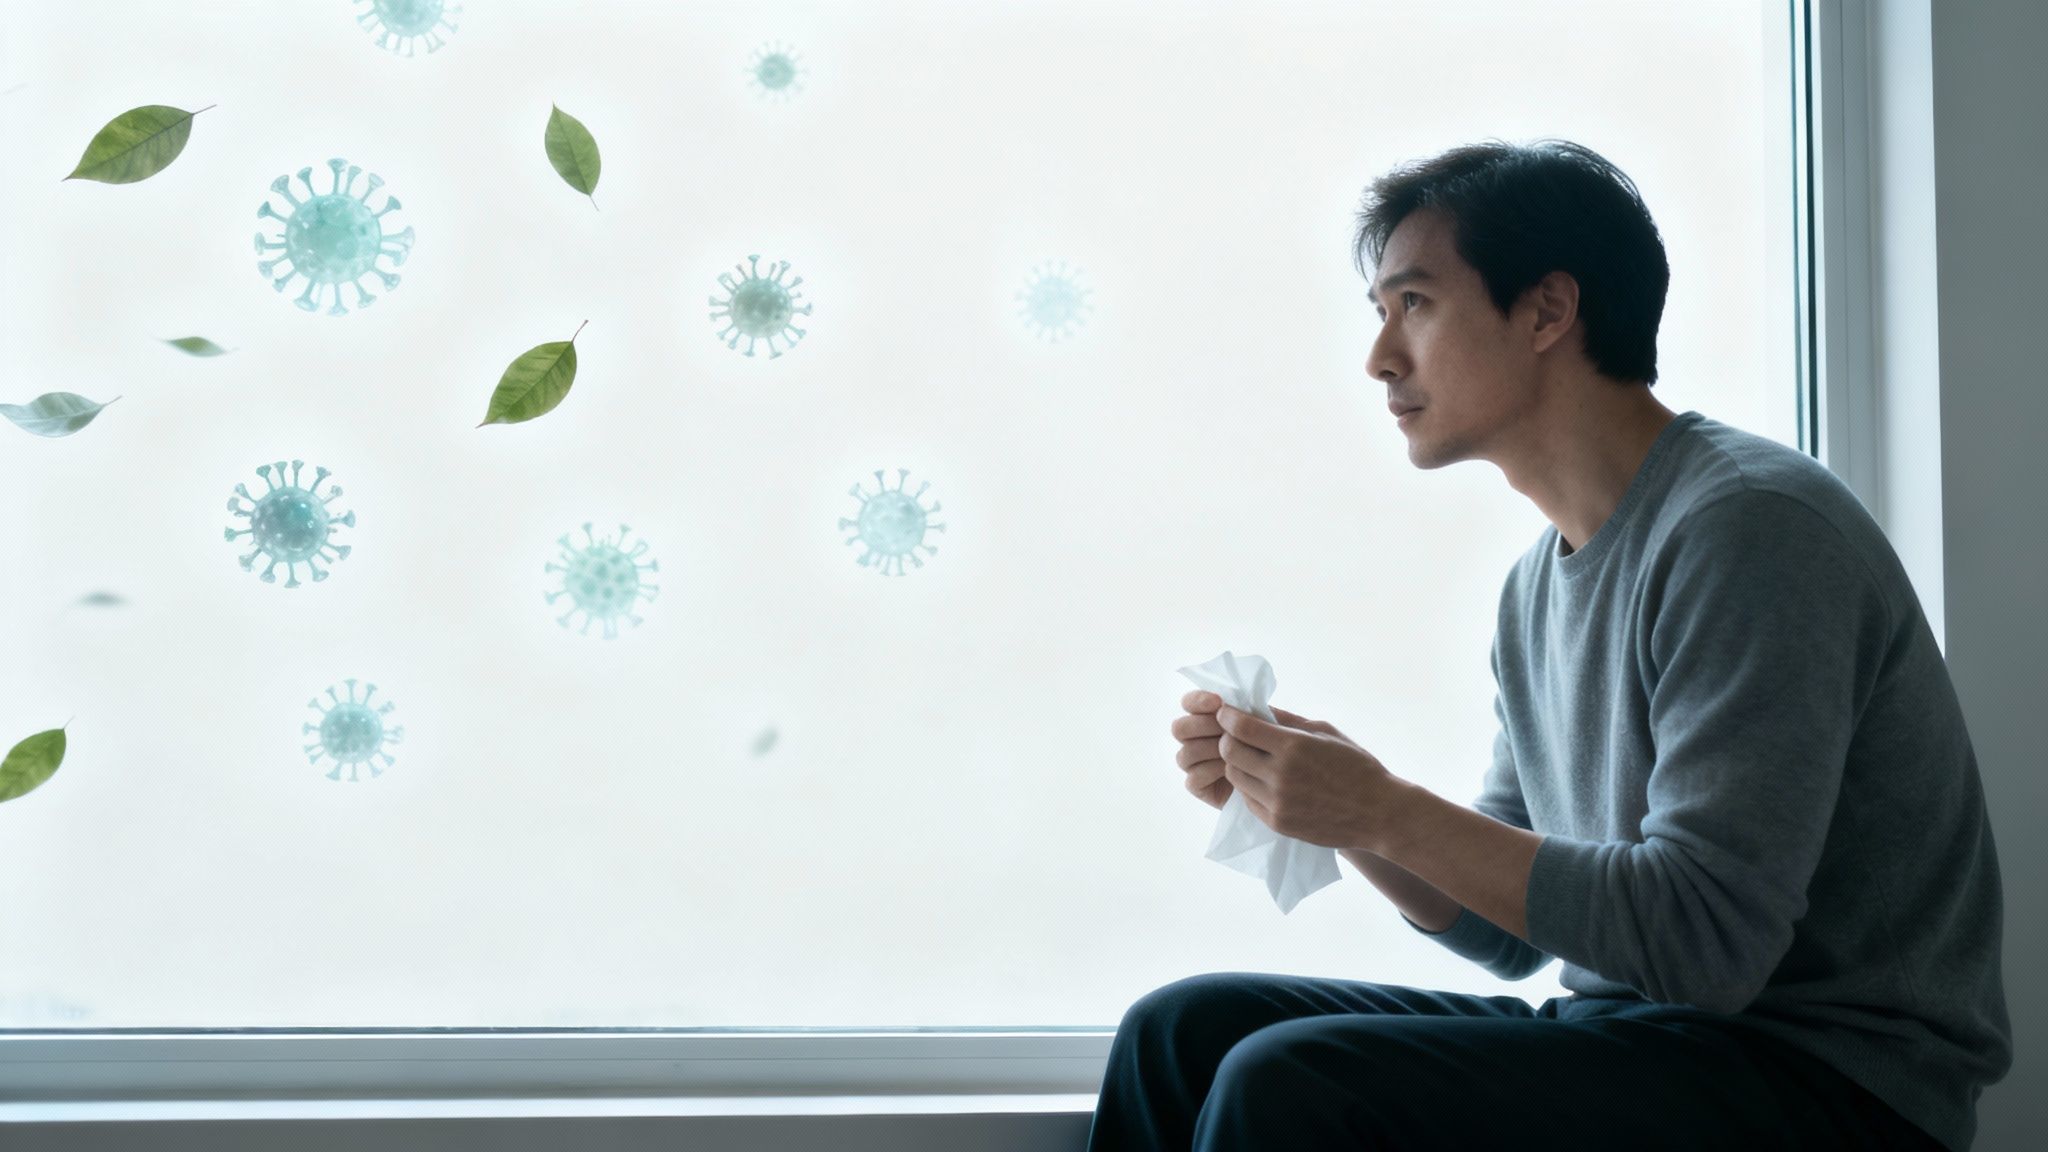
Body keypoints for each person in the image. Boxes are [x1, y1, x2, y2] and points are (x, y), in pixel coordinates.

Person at [1085, 139, 2010, 1152]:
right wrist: (1336, 808)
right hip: (1641, 1038)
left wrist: (1382, 808)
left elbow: (1705, 944)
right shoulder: (1536, 587)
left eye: (1415, 305)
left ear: (1546, 310)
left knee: (1291, 1081)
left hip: (1830, 1085)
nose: (1379, 357)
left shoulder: (1750, 530)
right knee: (1180, 1032)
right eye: (1380, 313)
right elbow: (1502, 934)